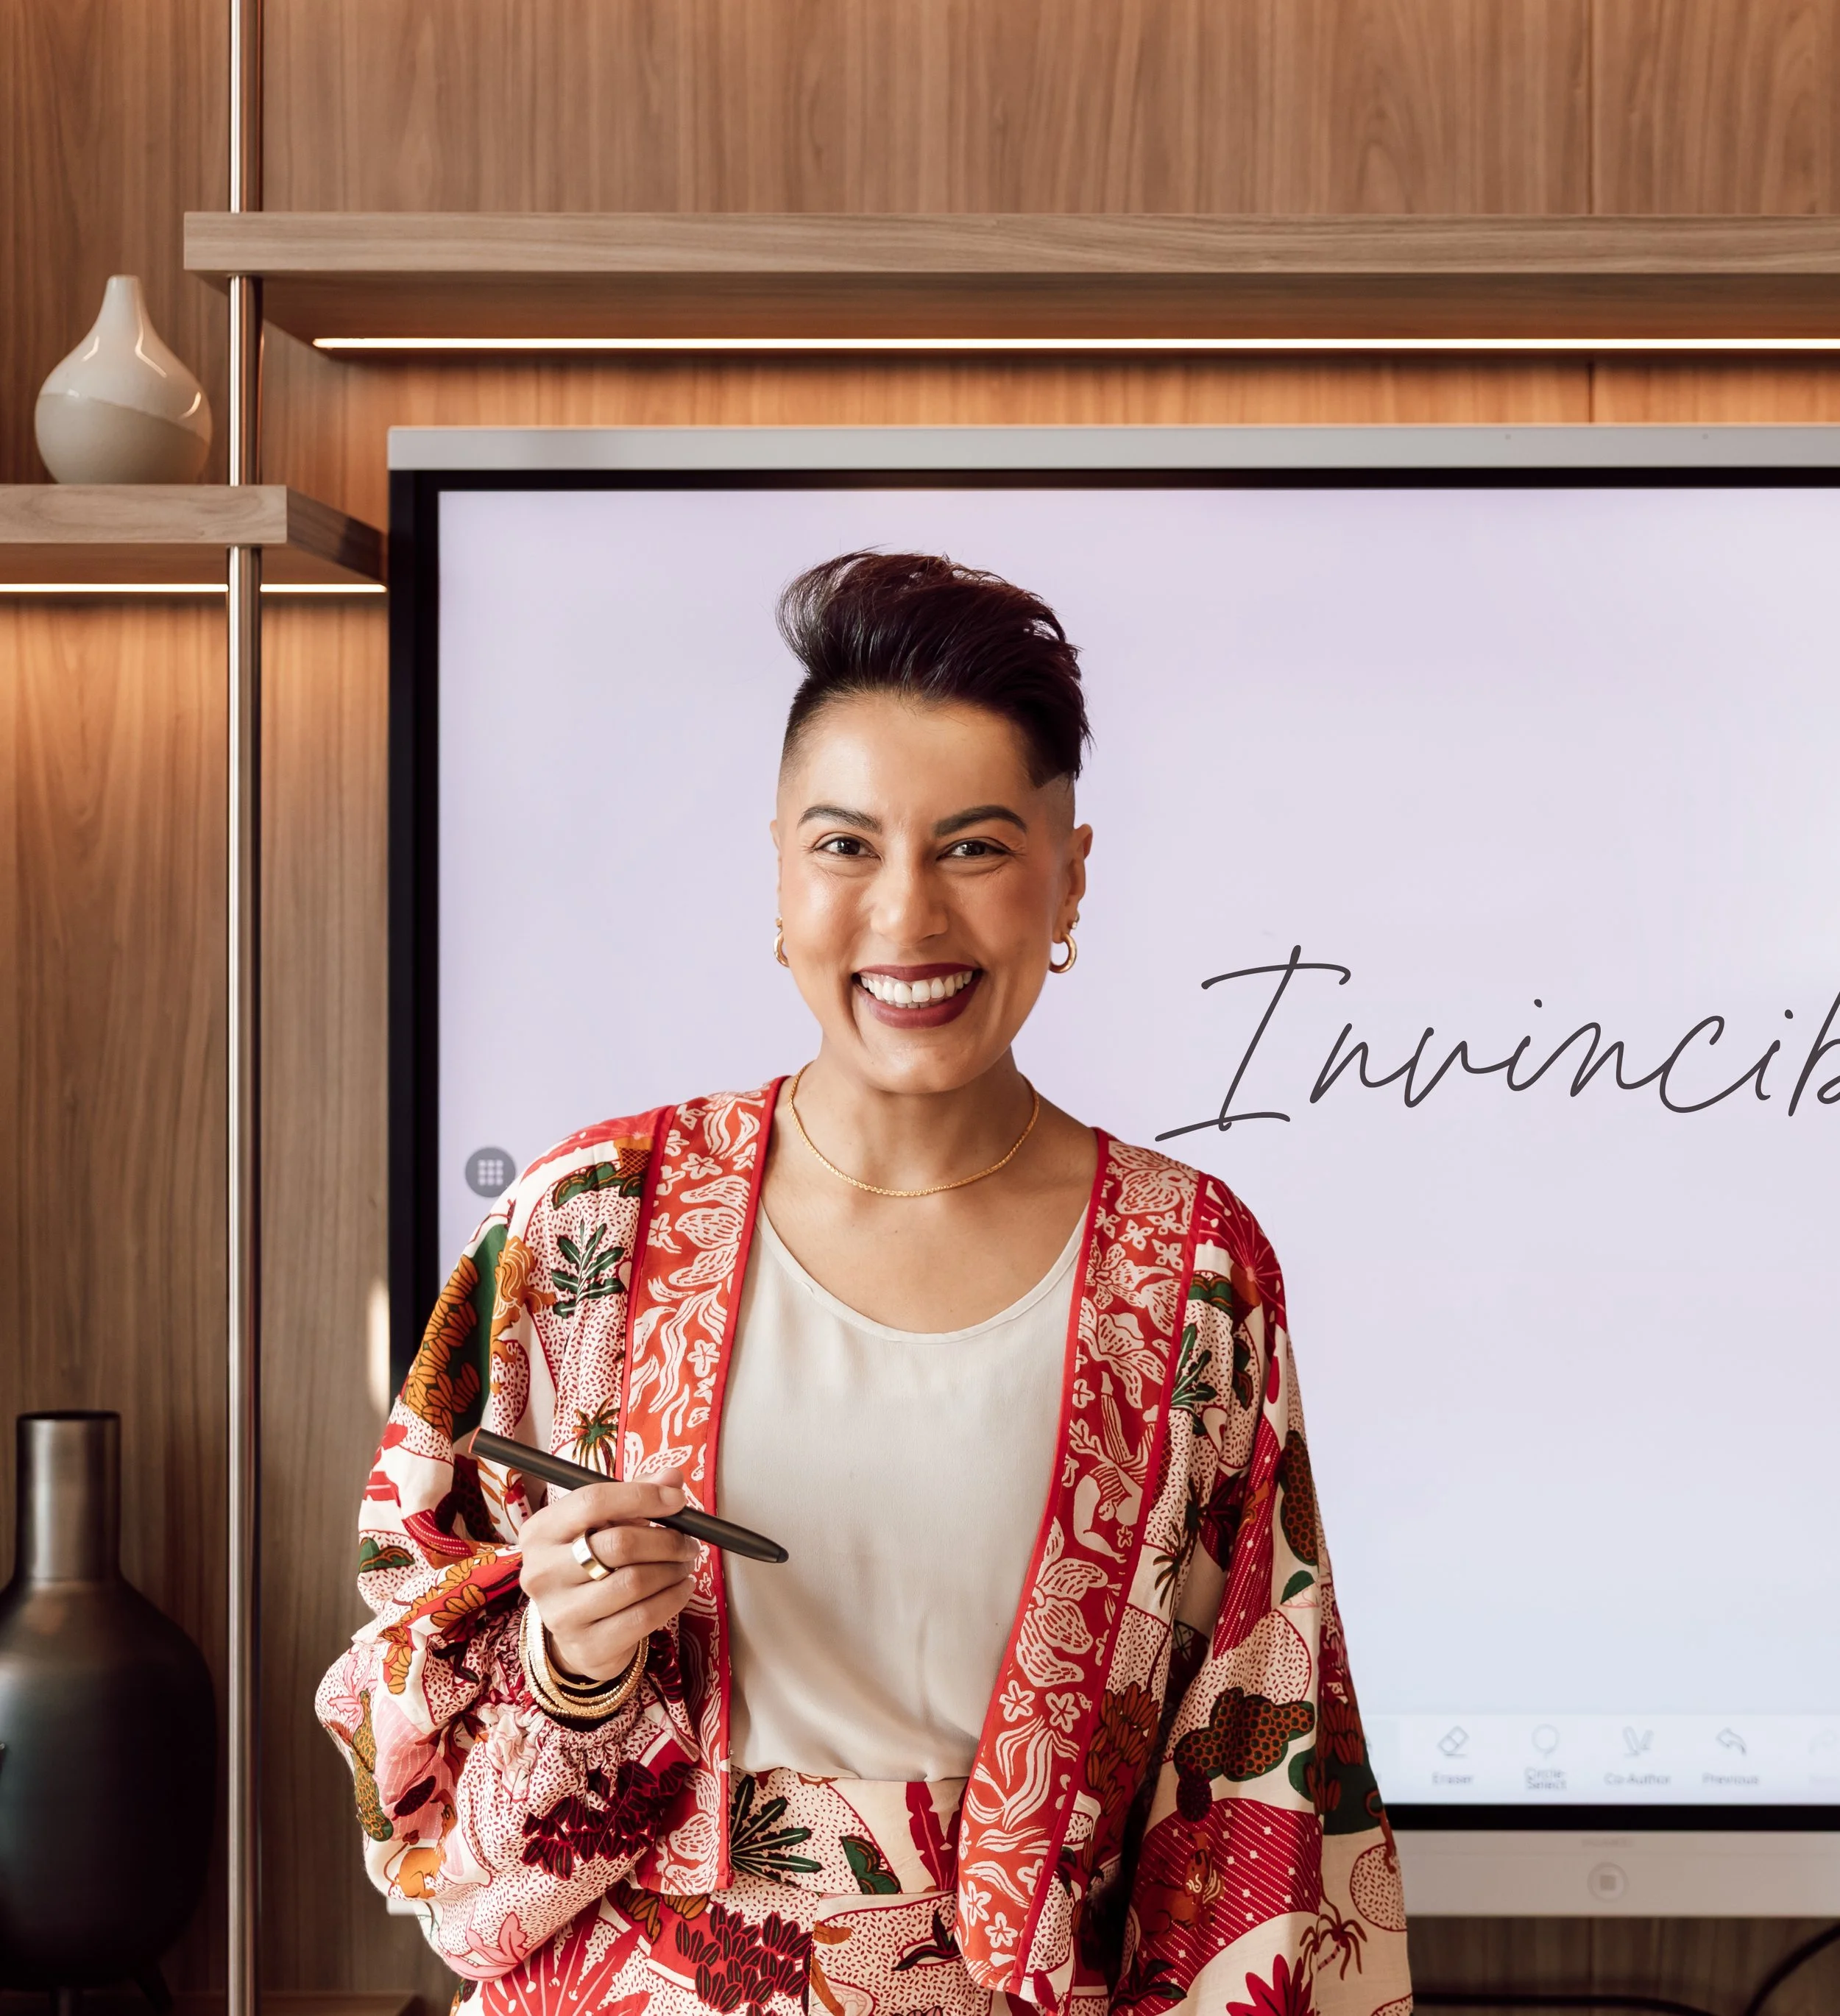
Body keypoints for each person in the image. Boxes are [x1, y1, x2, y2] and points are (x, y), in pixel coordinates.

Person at [318, 552, 1412, 2016]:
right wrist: (570, 1661)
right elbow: (416, 1777)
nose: (906, 917)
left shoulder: (1192, 1268)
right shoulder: (589, 1221)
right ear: (779, 871)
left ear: (1069, 874)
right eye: (846, 845)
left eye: (973, 848)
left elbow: (1251, 1811)